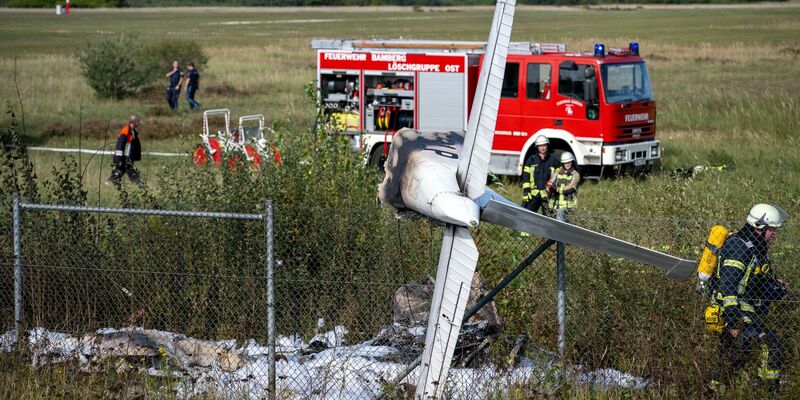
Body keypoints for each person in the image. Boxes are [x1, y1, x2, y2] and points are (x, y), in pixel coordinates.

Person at [708, 204, 790, 393]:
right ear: (759, 228)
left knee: (728, 353)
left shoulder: (756, 246)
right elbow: (728, 286)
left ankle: (713, 390)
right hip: (733, 308)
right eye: (772, 230)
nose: (775, 234)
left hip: (741, 306)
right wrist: (732, 321)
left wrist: (776, 286)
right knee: (772, 345)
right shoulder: (739, 246)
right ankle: (767, 390)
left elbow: (753, 281)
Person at [521, 135, 558, 214]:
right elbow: (526, 177)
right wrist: (526, 192)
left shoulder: (554, 160)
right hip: (533, 194)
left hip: (547, 195)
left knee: (548, 219)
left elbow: (558, 176)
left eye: (544, 145)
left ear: (547, 146)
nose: (542, 148)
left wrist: (553, 186)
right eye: (540, 146)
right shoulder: (531, 160)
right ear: (537, 147)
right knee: (527, 215)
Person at [106, 115, 142, 186]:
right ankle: (140, 185)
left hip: (128, 157)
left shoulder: (132, 132)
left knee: (120, 170)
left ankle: (109, 182)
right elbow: (120, 145)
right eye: (138, 121)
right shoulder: (125, 130)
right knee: (131, 171)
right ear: (134, 122)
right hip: (124, 157)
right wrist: (119, 159)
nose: (139, 123)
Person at [548, 152, 580, 218]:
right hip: (555, 204)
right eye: (565, 163)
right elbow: (550, 184)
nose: (567, 164)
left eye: (569, 162)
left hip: (568, 205)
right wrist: (550, 187)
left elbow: (571, 189)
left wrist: (556, 189)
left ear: (572, 162)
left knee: (566, 224)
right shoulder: (557, 173)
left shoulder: (575, 174)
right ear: (563, 163)